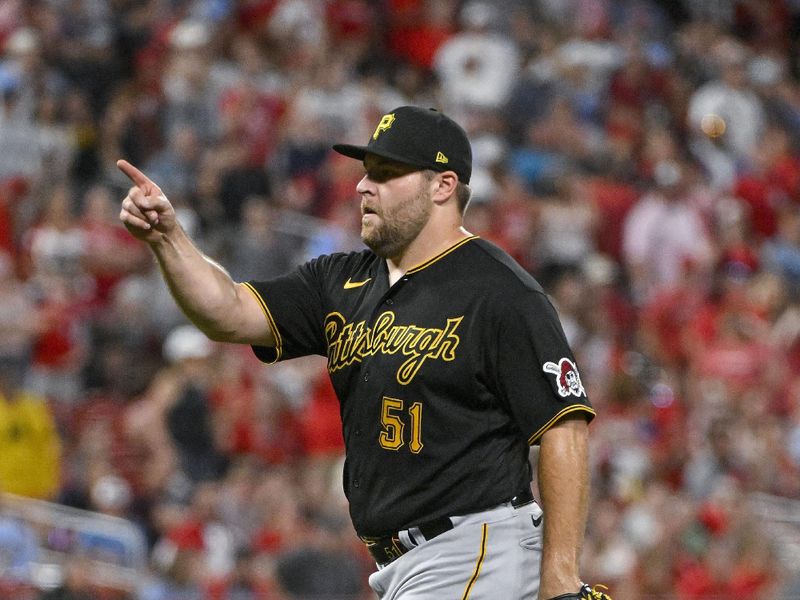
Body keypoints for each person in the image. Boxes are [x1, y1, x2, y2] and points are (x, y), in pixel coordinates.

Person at [117, 105, 611, 600]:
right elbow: (227, 311)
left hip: (476, 548)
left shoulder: (500, 293)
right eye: (366, 171)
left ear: (442, 185)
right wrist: (170, 240)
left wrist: (561, 577)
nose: (362, 186)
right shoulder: (341, 280)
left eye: (387, 173)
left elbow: (563, 426)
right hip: (410, 563)